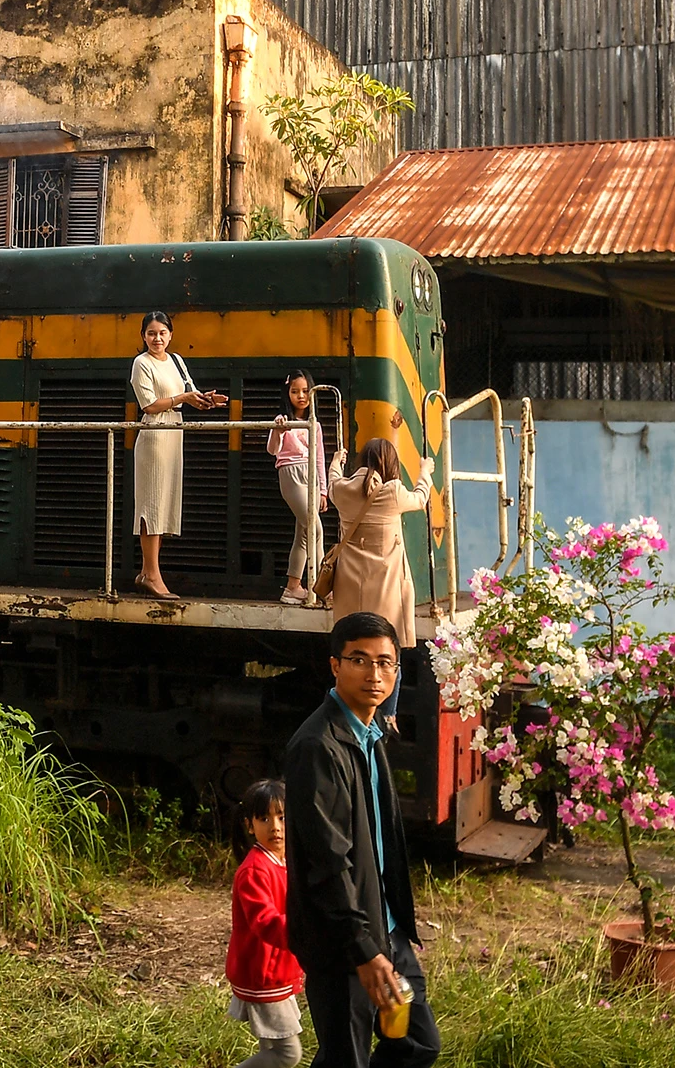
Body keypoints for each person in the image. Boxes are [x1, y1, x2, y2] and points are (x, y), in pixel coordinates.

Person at [284, 612, 439, 1068]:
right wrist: (363, 950)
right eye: (359, 660)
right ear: (335, 665)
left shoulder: (370, 734)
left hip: (385, 929)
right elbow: (327, 863)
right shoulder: (318, 746)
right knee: (346, 1058)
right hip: (342, 943)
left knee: (418, 1044)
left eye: (385, 662)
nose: (374, 674)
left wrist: (387, 936)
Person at [128, 311, 225, 600]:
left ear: (170, 335)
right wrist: (183, 398)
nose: (157, 338)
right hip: (155, 434)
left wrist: (207, 400)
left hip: (174, 432)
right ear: (144, 336)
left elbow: (190, 392)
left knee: (164, 503)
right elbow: (148, 405)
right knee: (151, 504)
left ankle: (147, 572)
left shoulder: (177, 361)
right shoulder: (141, 363)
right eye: (151, 333)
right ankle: (152, 574)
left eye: (162, 333)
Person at [325, 420, 428, 650]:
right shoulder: (394, 492)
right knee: (387, 645)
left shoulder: (342, 489)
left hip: (348, 581)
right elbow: (421, 498)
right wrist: (424, 471)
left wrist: (336, 463)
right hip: (387, 583)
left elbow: (332, 481)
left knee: (352, 643)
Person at [226, 778, 304, 1068]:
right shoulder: (254, 871)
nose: (275, 827)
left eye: (282, 817)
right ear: (250, 826)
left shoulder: (284, 862)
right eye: (264, 819)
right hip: (263, 975)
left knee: (272, 1047)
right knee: (288, 1054)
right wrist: (306, 929)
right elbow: (265, 922)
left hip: (277, 971)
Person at [269, 373, 342, 608]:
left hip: (311, 476)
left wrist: (323, 490)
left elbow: (319, 458)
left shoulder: (315, 424)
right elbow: (272, 450)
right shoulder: (282, 420)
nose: (300, 396)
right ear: (287, 394)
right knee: (315, 528)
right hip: (291, 473)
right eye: (294, 391)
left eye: (305, 391)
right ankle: (322, 588)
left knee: (303, 534)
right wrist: (279, 430)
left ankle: (293, 588)